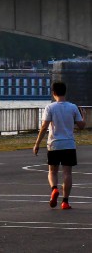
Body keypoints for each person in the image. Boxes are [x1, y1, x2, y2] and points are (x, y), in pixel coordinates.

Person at [33, 81, 85, 210]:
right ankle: (65, 201)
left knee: (52, 171)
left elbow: (44, 126)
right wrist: (84, 115)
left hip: (54, 144)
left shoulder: (50, 107)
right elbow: (81, 126)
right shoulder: (73, 107)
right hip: (69, 144)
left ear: (53, 92)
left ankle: (54, 189)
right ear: (65, 92)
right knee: (67, 173)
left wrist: (37, 144)